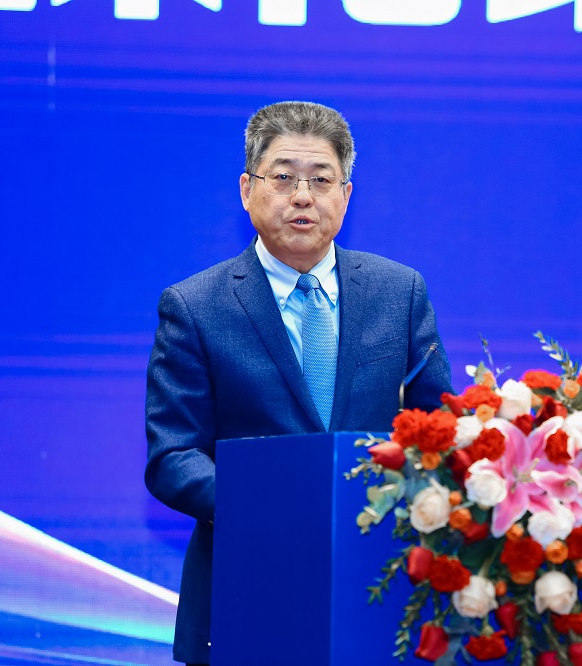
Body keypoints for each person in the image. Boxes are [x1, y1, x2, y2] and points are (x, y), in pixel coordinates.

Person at [144, 101, 453, 665]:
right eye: (283, 177)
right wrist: (273, 503)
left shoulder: (400, 292)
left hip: (377, 582)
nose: (303, 196)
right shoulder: (194, 306)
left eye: (321, 180)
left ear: (347, 195)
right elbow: (173, 456)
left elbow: (439, 429)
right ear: (247, 190)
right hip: (245, 582)